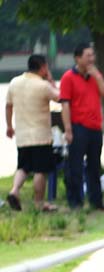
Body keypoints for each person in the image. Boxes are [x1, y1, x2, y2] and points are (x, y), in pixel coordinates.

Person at [59, 43, 104, 211]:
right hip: (78, 126)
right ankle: (75, 202)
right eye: (87, 56)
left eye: (92, 55)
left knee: (94, 166)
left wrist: (97, 76)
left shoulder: (95, 75)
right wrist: (68, 129)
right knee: (75, 166)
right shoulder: (68, 77)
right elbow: (65, 104)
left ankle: (96, 201)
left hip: (95, 127)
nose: (91, 59)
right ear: (78, 58)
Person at [5, 54, 60, 212]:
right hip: (41, 135)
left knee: (23, 167)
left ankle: (14, 190)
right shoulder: (42, 85)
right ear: (43, 67)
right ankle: (39, 202)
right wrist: (51, 80)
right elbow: (60, 97)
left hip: (22, 135)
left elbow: (8, 106)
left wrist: (9, 126)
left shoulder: (14, 82)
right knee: (40, 170)